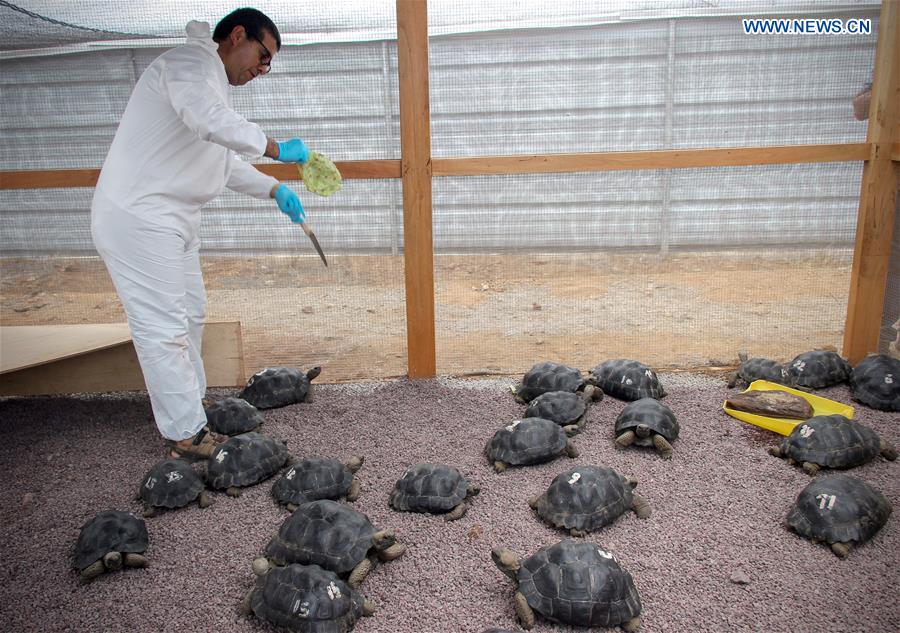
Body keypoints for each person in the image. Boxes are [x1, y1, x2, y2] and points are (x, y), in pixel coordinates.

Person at [91, 8, 309, 460]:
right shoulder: (189, 65)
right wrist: (274, 148)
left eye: (269, 64)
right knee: (163, 328)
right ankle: (185, 433)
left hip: (173, 219)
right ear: (236, 35)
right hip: (140, 217)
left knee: (190, 315)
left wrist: (273, 189)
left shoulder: (207, 85)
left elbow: (220, 159)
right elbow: (209, 121)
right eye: (263, 55)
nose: (262, 70)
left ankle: (190, 408)